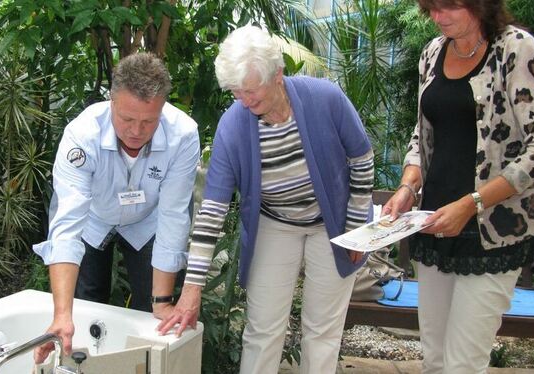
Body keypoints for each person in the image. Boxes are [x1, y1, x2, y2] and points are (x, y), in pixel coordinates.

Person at [158, 25, 374, 374]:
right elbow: (212, 211)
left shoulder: (326, 99)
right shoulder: (233, 125)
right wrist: (192, 288)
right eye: (236, 92)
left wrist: (355, 226)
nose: (244, 101)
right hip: (275, 223)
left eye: (251, 92)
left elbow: (361, 158)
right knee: (262, 329)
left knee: (322, 331)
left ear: (278, 74)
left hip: (332, 224)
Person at [382, 1, 534, 373]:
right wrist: (407, 185)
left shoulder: (517, 49)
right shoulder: (432, 52)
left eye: (448, 7)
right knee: (434, 360)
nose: (437, 17)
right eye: (431, 8)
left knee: (463, 364)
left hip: (492, 230)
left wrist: (472, 203)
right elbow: (423, 134)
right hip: (434, 224)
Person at [32, 53, 200, 363]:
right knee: (83, 307)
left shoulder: (184, 135)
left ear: (163, 109)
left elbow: (174, 215)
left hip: (148, 221)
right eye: (127, 119)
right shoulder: (81, 135)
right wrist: (61, 314)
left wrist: (162, 302)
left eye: (148, 121)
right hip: (93, 219)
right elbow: (67, 222)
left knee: (154, 315)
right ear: (111, 101)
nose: (136, 130)